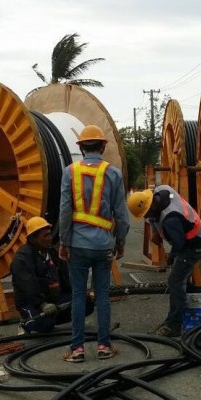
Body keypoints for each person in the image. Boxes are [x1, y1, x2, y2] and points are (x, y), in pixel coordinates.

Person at [59, 125, 129, 362]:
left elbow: (65, 210)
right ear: (102, 146)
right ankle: (103, 347)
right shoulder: (114, 173)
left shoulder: (70, 172)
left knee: (78, 295)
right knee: (102, 295)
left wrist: (64, 241)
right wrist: (120, 241)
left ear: (80, 147)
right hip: (103, 245)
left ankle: (77, 349)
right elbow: (121, 214)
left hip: (77, 244)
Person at [127, 185, 201, 337]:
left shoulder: (171, 218)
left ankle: (174, 326)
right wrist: (156, 231)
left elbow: (179, 245)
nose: (145, 217)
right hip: (185, 237)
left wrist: (170, 258)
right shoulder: (161, 190)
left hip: (192, 245)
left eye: (147, 214)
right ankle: (186, 313)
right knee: (180, 279)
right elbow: (154, 215)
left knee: (175, 281)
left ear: (152, 206)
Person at [11, 217, 93, 335]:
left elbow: (65, 279)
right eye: (45, 236)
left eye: (50, 234)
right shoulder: (22, 258)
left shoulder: (52, 253)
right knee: (45, 323)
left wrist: (78, 293)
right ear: (33, 238)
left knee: (86, 303)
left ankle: (52, 317)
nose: (50, 238)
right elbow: (29, 286)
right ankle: (26, 323)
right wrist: (42, 304)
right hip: (32, 303)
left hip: (55, 299)